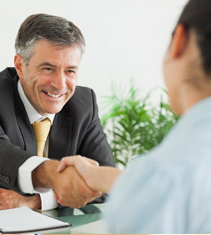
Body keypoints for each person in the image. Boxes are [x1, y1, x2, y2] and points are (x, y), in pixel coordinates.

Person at [55, 0, 211, 233]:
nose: (59, 82)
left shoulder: (163, 176)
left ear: (179, 40)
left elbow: (158, 188)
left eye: (70, 70)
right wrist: (94, 175)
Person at [0, 13, 114, 216]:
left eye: (70, 71)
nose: (60, 84)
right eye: (48, 68)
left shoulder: (83, 104)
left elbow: (104, 186)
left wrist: (35, 201)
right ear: (19, 66)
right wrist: (55, 176)